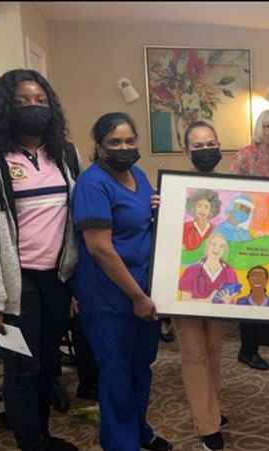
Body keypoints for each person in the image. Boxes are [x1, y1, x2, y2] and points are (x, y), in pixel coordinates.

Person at [71, 112, 172, 451]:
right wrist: (136, 297)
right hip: (111, 296)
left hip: (144, 288)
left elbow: (143, 222)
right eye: (115, 142)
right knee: (116, 372)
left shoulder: (138, 175)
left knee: (141, 366)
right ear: (99, 147)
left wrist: (160, 206)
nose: (124, 147)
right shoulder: (92, 184)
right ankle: (121, 443)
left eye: (130, 141)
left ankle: (139, 430)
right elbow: (100, 249)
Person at [0, 69, 80, 451]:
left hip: (57, 278)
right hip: (16, 284)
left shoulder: (64, 155)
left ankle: (43, 435)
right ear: (6, 107)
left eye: (40, 101)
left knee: (48, 364)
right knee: (21, 368)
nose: (33, 108)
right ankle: (31, 444)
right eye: (23, 101)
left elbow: (79, 215)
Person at [174, 121, 229, 451]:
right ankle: (206, 424)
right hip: (187, 289)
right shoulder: (176, 191)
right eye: (198, 145)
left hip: (220, 287)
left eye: (211, 142)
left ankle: (212, 409)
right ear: (187, 151)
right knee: (194, 353)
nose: (206, 149)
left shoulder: (230, 189)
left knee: (213, 349)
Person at [230, 109, 269, 372]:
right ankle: (248, 349)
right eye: (268, 126)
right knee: (254, 284)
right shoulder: (245, 155)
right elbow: (234, 194)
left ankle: (266, 334)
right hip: (251, 230)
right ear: (259, 128)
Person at [179, 232, 239, 304]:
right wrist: (208, 301)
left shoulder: (230, 272)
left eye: (221, 246)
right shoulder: (191, 270)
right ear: (207, 246)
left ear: (224, 250)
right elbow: (184, 300)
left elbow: (232, 303)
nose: (217, 249)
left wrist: (227, 302)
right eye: (213, 244)